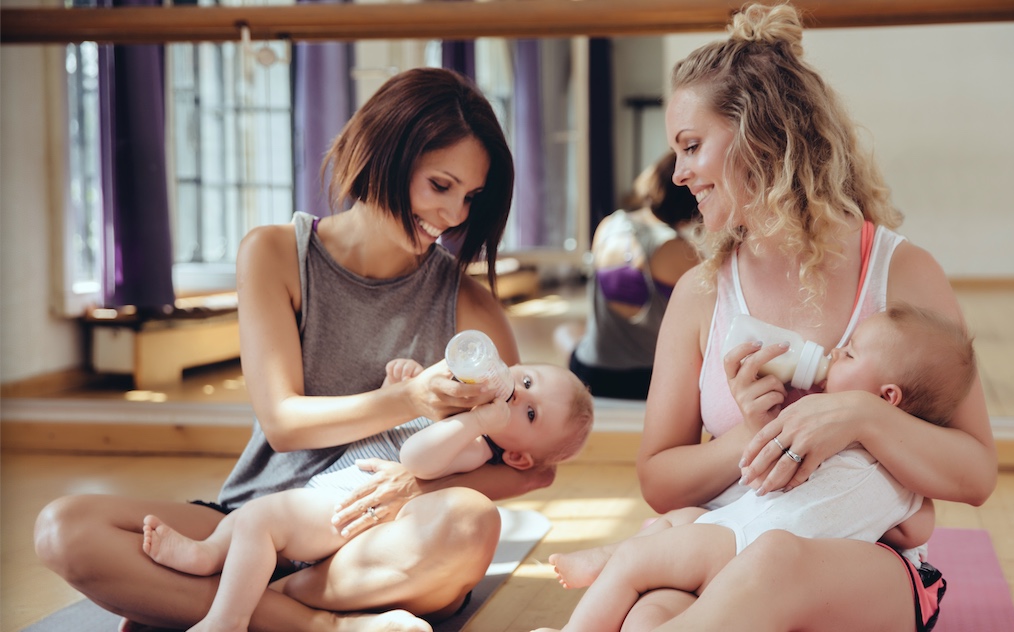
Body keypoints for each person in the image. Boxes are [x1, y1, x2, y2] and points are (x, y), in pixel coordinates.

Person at [34, 67, 553, 632]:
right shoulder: (276, 255)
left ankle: (212, 602)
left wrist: (415, 484)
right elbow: (284, 423)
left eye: (471, 197)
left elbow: (530, 468)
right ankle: (319, 624)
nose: (454, 217)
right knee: (66, 529)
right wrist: (410, 399)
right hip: (257, 517)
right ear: (384, 154)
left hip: (374, 542)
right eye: (440, 185)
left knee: (472, 523)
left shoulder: (471, 306)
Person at [623, 3, 997, 630]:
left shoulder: (902, 274)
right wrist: (754, 435)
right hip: (730, 538)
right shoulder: (701, 293)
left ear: (760, 137)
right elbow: (659, 479)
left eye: (692, 147)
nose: (680, 172)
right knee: (648, 616)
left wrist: (859, 416)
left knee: (774, 568)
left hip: (864, 563)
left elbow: (976, 473)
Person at [539, 303, 976, 632]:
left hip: (744, 546)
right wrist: (755, 428)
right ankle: (617, 567)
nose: (834, 352)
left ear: (887, 398)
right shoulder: (825, 436)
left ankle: (594, 591)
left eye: (849, 354)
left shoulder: (878, 452)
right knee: (656, 587)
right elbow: (913, 527)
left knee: (640, 559)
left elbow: (918, 525)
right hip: (731, 534)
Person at [139, 357, 593, 632]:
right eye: (527, 381)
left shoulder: (475, 445)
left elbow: (415, 458)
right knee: (247, 520)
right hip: (326, 494)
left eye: (530, 413)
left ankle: (228, 619)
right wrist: (402, 387)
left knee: (259, 521)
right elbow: (392, 423)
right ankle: (207, 559)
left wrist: (473, 423)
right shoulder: (459, 405)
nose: (518, 397)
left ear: (516, 458)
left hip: (348, 507)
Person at [555, 150, 701, 399]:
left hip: (590, 371)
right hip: (645, 379)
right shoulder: (675, 249)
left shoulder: (610, 223)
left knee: (565, 330)